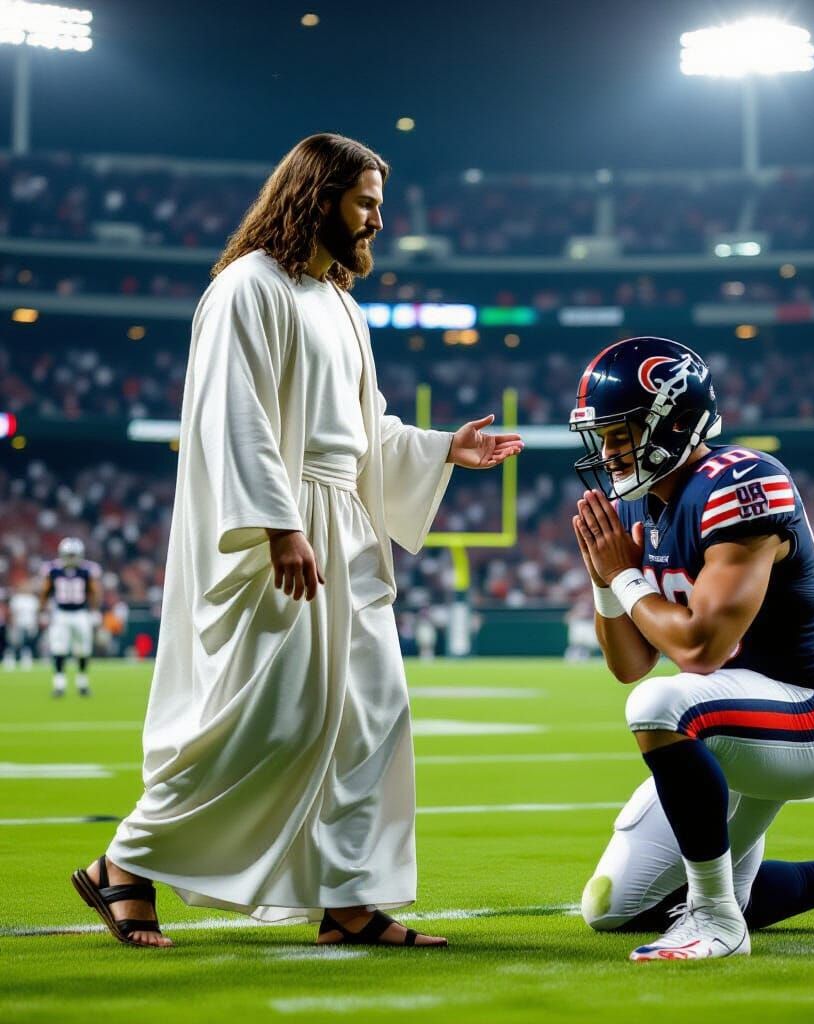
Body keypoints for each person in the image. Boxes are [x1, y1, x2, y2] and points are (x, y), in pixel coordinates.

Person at [71, 133, 522, 950]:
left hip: (345, 527)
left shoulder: (340, 301)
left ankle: (348, 900)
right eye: (367, 203)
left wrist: (436, 449)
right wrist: (279, 524)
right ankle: (124, 866)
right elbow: (229, 416)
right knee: (268, 720)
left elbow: (359, 431)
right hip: (282, 530)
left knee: (371, 716)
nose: (379, 221)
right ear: (318, 197)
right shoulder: (246, 288)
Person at [569, 337, 814, 963]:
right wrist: (605, 579)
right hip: (727, 720)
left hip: (805, 714)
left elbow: (697, 648)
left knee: (661, 703)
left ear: (672, 420)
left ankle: (718, 921)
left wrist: (626, 577)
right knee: (615, 907)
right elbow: (628, 662)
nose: (609, 452)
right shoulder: (648, 505)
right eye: (604, 436)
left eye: (622, 433)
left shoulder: (743, 481)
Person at [40, 537, 100, 697]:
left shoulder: (88, 569)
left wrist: (95, 611)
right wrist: (43, 610)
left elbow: (94, 592)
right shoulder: (52, 569)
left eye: (74, 555)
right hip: (61, 614)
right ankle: (59, 685)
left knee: (83, 649)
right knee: (59, 648)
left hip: (81, 613)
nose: (72, 558)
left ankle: (82, 683)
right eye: (69, 554)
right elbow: (45, 591)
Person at [4, 582, 41, 671]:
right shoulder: (17, 599)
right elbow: (13, 613)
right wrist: (13, 623)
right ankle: (10, 659)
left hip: (29, 624)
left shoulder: (33, 599)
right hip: (18, 623)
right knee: (14, 642)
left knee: (28, 642)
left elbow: (36, 613)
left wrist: (35, 624)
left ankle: (26, 658)